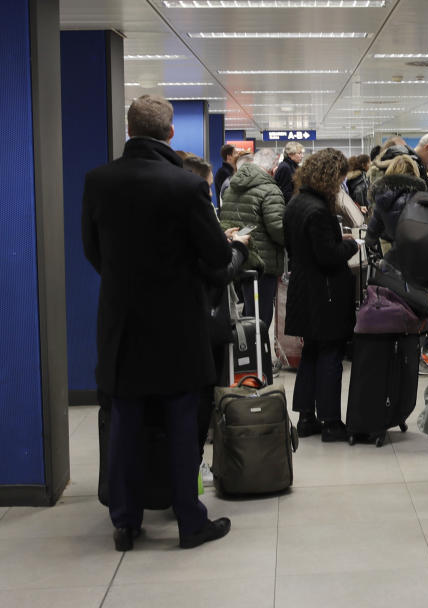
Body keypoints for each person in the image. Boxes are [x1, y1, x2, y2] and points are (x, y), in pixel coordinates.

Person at [81, 94, 232, 552]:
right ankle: (189, 520)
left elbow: (92, 250)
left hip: (122, 322)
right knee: (182, 421)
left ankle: (125, 523)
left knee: (124, 419)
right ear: (170, 133)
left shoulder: (98, 180)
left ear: (129, 130)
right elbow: (218, 255)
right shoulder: (185, 187)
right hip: (178, 325)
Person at [180, 153, 252, 485]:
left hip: (174, 322)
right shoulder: (194, 216)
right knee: (201, 393)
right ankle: (192, 467)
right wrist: (238, 248)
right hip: (205, 318)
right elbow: (221, 270)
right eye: (207, 188)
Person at [283, 149, 358, 441]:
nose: (341, 182)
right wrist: (350, 245)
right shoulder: (319, 210)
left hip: (303, 288)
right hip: (326, 292)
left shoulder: (297, 203)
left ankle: (305, 417)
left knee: (311, 352)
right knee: (330, 354)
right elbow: (329, 256)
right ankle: (330, 421)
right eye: (340, 176)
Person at [220, 149, 286, 327]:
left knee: (249, 311)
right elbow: (278, 229)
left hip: (240, 256)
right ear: (273, 168)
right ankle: (258, 353)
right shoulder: (270, 190)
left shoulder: (232, 186)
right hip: (263, 263)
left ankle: (246, 351)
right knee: (261, 317)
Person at [366, 154, 428, 255]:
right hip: (418, 256)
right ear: (414, 171)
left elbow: (371, 237)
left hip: (393, 256)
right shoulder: (422, 198)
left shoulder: (382, 198)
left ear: (391, 171)